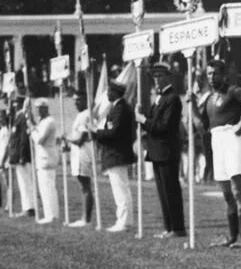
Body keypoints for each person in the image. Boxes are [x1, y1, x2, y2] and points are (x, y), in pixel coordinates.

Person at [203, 58, 241, 249]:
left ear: (223, 75)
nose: (211, 77)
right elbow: (200, 125)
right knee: (227, 194)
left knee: (238, 191)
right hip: (217, 141)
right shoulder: (209, 99)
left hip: (233, 139)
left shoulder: (233, 91)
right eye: (209, 73)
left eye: (215, 73)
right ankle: (233, 236)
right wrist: (192, 105)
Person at [138, 60, 186, 240]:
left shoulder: (172, 99)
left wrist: (143, 120)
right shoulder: (159, 98)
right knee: (163, 192)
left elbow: (163, 126)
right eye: (155, 76)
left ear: (168, 77)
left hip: (167, 150)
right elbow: (152, 122)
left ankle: (178, 227)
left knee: (171, 191)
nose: (156, 80)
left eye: (160, 76)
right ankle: (169, 227)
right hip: (157, 150)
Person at [93, 72, 136, 232]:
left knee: (120, 190)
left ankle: (123, 221)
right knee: (122, 188)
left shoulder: (120, 109)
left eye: (109, 91)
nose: (107, 94)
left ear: (115, 92)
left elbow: (114, 133)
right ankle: (126, 220)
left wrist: (96, 133)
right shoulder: (119, 108)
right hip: (117, 153)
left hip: (117, 153)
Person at [64, 92, 95, 227]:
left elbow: (80, 139)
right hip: (77, 153)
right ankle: (84, 217)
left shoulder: (86, 115)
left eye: (79, 100)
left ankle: (86, 218)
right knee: (83, 186)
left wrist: (67, 138)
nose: (76, 103)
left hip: (83, 153)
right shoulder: (80, 115)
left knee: (85, 186)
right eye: (75, 100)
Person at [30, 98, 60, 224]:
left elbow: (40, 140)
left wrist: (32, 132)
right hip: (43, 158)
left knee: (48, 187)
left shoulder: (49, 122)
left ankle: (51, 215)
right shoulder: (42, 122)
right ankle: (51, 213)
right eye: (36, 108)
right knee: (45, 187)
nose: (37, 110)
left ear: (45, 108)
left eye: (39, 108)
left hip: (47, 158)